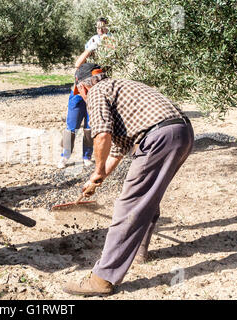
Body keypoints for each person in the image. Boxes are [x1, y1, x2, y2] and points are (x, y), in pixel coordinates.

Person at [62, 63, 194, 296]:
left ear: (82, 86)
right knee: (148, 197)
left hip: (158, 138)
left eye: (79, 92)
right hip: (182, 133)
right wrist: (97, 179)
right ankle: (140, 251)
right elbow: (117, 150)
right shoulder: (120, 87)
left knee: (128, 206)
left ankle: (102, 279)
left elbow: (102, 135)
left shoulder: (96, 92)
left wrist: (98, 170)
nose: (81, 97)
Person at [58, 17, 113, 169]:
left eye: (103, 28)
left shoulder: (111, 48)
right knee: (71, 126)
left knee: (90, 126)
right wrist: (91, 48)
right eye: (97, 28)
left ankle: (86, 156)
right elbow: (77, 64)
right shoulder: (92, 43)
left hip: (95, 93)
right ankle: (65, 155)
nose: (100, 30)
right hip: (78, 91)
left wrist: (107, 45)